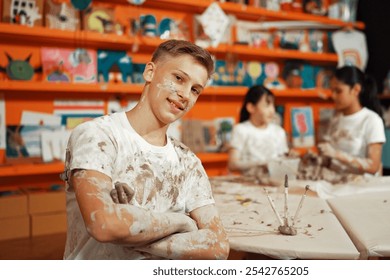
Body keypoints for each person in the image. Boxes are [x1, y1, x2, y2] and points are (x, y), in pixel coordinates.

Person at [61, 39, 229, 260]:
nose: (186, 95)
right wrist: (183, 223)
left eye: (195, 90)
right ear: (150, 72)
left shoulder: (188, 162)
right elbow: (104, 224)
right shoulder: (98, 136)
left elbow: (218, 246)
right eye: (178, 78)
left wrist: (135, 230)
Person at [317, 65, 386, 177]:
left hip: (360, 188)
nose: (333, 96)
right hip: (335, 184)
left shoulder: (371, 120)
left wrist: (337, 155)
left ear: (355, 90)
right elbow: (329, 161)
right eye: (332, 91)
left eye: (338, 91)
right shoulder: (335, 120)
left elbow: (374, 166)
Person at [228, 85, 294, 177]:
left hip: (274, 184)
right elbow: (232, 164)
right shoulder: (241, 130)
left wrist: (290, 158)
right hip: (249, 184)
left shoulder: (279, 132)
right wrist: (261, 163)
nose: (272, 110)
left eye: (273, 105)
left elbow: (283, 160)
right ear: (251, 107)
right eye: (267, 105)